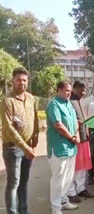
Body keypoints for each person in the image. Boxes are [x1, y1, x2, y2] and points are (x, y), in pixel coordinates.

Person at [1, 67, 39, 214]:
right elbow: (9, 129)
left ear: (27, 82)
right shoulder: (7, 101)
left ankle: (23, 210)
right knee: (13, 183)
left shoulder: (31, 98)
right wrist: (25, 148)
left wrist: (35, 136)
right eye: (18, 80)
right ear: (12, 82)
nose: (21, 83)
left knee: (23, 182)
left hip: (28, 147)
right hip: (13, 149)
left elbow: (35, 118)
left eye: (24, 80)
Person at [46, 80, 80, 214]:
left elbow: (75, 122)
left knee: (68, 178)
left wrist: (76, 134)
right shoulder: (54, 104)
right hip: (59, 148)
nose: (69, 93)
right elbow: (58, 125)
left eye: (70, 91)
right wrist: (72, 137)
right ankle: (56, 208)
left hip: (71, 148)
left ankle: (64, 201)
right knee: (58, 179)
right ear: (59, 89)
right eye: (66, 90)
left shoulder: (69, 104)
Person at [68, 81, 94, 203]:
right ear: (74, 88)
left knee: (83, 165)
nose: (83, 93)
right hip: (75, 139)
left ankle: (81, 188)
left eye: (85, 90)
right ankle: (71, 192)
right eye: (81, 90)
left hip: (84, 137)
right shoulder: (69, 101)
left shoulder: (82, 101)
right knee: (74, 167)